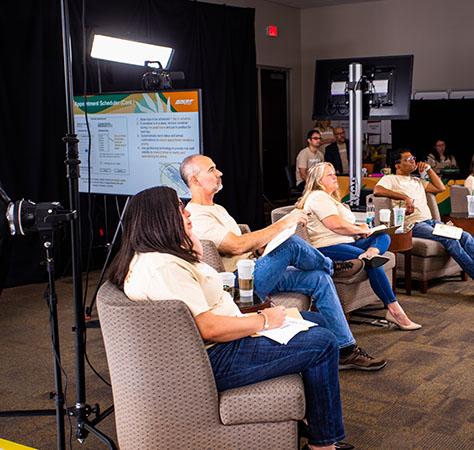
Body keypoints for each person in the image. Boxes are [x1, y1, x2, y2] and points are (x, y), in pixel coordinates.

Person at [107, 186, 346, 450]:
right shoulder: (164, 269)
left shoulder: (158, 258)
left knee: (319, 322)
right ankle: (322, 444)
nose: (187, 212)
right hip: (217, 355)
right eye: (178, 207)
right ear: (159, 217)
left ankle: (314, 420)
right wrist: (265, 320)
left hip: (224, 341)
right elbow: (209, 329)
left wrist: (192, 245)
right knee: (322, 342)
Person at [180, 154, 386, 371]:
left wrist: (267, 243)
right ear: (195, 180)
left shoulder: (218, 209)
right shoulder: (197, 216)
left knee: (319, 277)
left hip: (254, 269)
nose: (219, 173)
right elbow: (237, 246)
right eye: (212, 169)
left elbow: (248, 246)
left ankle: (346, 350)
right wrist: (285, 223)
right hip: (240, 286)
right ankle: (333, 266)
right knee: (292, 244)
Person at [296, 162, 421, 331]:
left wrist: (359, 233)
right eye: (330, 175)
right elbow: (335, 225)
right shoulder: (317, 196)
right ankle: (395, 311)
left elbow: (342, 227)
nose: (335, 177)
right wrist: (359, 229)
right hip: (327, 247)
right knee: (373, 262)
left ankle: (370, 252)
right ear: (318, 180)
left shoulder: (330, 198)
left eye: (334, 173)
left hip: (347, 241)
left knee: (383, 236)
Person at [374, 148, 474, 296]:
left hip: (430, 222)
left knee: (464, 235)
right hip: (413, 225)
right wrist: (404, 198)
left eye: (413, 158)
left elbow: (440, 187)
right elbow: (377, 190)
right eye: (408, 160)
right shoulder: (390, 179)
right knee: (450, 240)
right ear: (398, 165)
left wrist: (428, 169)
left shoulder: (417, 181)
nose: (413, 161)